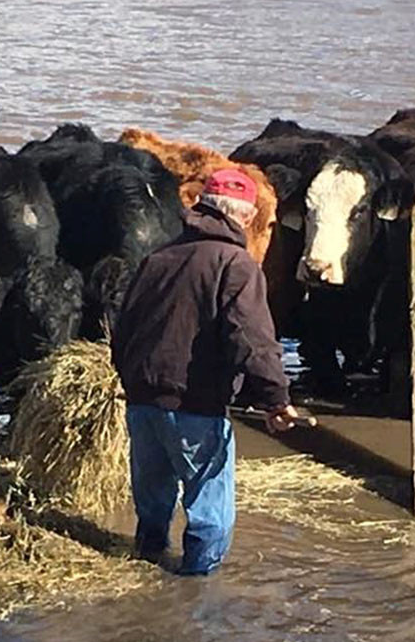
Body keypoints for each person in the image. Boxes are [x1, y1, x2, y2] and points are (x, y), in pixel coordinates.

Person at [111, 167, 299, 575]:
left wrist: (130, 381)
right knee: (209, 508)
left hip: (142, 401)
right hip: (195, 404)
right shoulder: (236, 264)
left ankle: (148, 563)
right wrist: (276, 398)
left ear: (199, 207)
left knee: (152, 498)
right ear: (246, 217)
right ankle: (195, 586)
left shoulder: (157, 258)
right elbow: (252, 339)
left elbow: (122, 328)